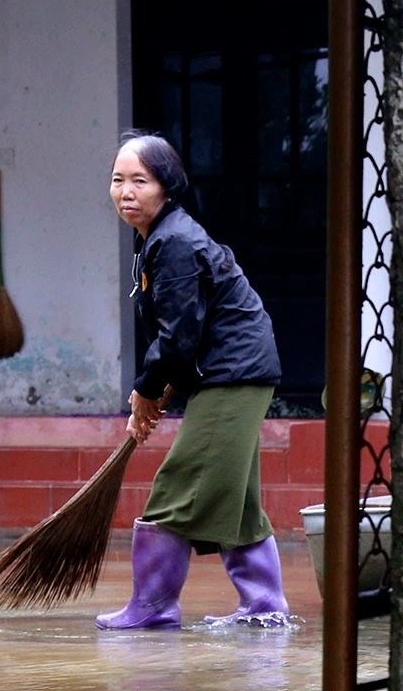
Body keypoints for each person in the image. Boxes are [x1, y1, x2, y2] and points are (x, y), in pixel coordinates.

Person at [96, 131, 291, 630]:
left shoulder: (176, 242)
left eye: (140, 180)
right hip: (230, 373)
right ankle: (265, 608)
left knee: (179, 485)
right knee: (238, 500)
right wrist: (159, 389)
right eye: (118, 180)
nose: (126, 192)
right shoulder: (156, 241)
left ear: (167, 186)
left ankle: (155, 605)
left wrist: (144, 390)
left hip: (233, 373)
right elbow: (182, 335)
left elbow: (179, 335)